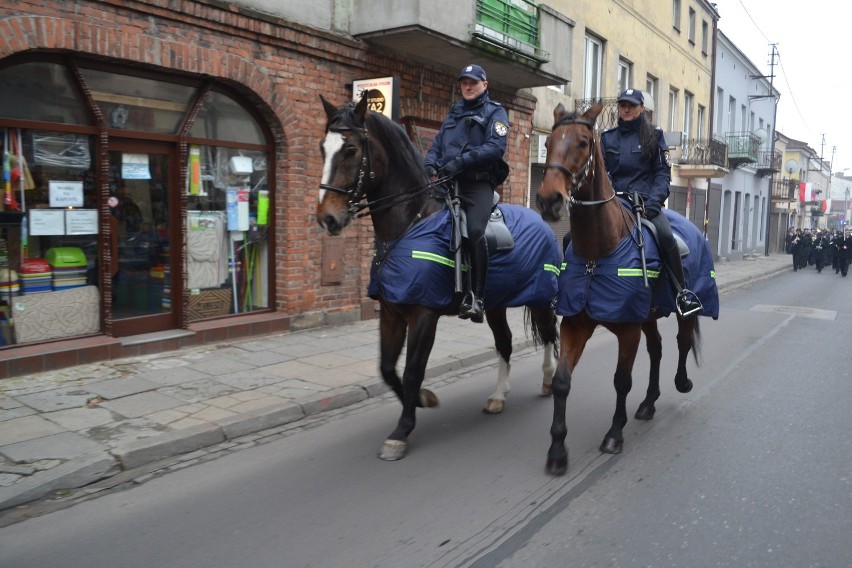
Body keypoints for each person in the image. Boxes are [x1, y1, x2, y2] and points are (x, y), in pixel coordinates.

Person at [601, 88, 702, 317]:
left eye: (632, 105)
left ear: (641, 109)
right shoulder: (607, 137)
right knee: (573, 237)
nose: (626, 109)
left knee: (666, 236)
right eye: (623, 105)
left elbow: (662, 174)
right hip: (614, 203)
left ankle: (681, 293)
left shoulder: (654, 136)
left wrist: (653, 203)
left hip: (645, 205)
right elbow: (603, 173)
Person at [425, 64, 510, 323]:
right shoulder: (454, 113)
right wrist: (429, 163)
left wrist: (461, 162)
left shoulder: (495, 112)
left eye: (473, 82)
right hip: (449, 185)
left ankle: (479, 298)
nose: (468, 86)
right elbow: (438, 144)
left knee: (475, 231)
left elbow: (495, 148)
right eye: (464, 82)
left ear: (484, 85)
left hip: (477, 185)